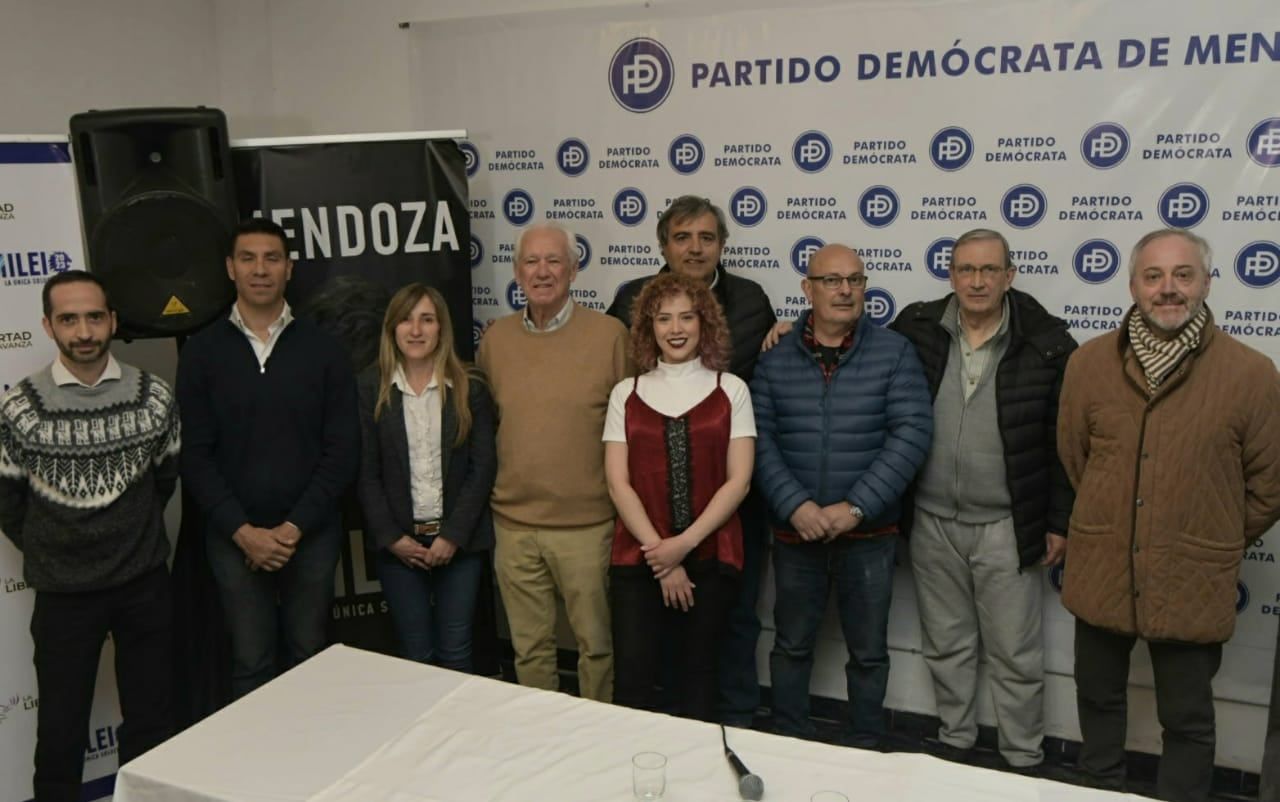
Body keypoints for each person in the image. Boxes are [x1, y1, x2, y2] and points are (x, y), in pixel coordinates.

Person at [1058, 227, 1280, 801]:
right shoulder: (1088, 363)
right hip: (1101, 567)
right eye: (1153, 276)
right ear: (1133, 285)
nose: (1168, 288)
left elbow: (1269, 486)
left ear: (1206, 282)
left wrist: (1210, 534)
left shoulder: (1252, 374)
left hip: (1191, 578)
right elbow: (1077, 458)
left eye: (1183, 275)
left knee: (1187, 719)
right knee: (1098, 701)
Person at [889, 228, 1076, 771]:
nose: (977, 281)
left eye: (989, 270)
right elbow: (854, 350)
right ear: (950, 275)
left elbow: (1064, 444)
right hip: (930, 519)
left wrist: (1058, 521)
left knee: (1015, 651)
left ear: (1009, 276)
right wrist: (793, 327)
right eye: (966, 269)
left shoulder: (1047, 344)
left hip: (1007, 525)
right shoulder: (916, 328)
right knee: (946, 643)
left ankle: (1024, 756)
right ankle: (955, 740)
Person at [0, 272, 180, 802]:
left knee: (152, 721)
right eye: (69, 319)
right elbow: (7, 501)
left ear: (113, 321)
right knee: (60, 730)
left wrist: (127, 535)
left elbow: (164, 480)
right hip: (63, 595)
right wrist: (56, 549)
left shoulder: (153, 396)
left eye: (94, 317)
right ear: (48, 326)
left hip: (143, 585)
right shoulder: (21, 407)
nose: (83, 332)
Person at [752, 243, 932, 747]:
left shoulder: (895, 352)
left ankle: (867, 746)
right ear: (807, 289)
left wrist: (856, 507)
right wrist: (795, 506)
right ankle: (787, 739)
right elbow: (759, 439)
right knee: (791, 646)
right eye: (832, 280)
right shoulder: (774, 358)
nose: (845, 290)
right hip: (797, 534)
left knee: (869, 653)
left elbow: (912, 434)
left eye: (855, 280)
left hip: (869, 535)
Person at [607, 194, 778, 726]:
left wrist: (684, 545)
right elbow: (618, 480)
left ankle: (729, 737)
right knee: (639, 672)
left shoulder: (750, 305)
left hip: (718, 535)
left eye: (706, 237)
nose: (695, 248)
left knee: (712, 662)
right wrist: (663, 554)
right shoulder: (627, 352)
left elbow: (739, 477)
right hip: (643, 546)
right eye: (682, 237)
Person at [177, 217, 360, 699]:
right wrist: (244, 533)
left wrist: (293, 529)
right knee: (250, 661)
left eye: (272, 259)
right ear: (230, 268)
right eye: (248, 258)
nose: (260, 269)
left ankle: (311, 748)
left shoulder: (325, 349)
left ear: (289, 269)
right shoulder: (200, 352)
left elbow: (343, 451)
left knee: (310, 655)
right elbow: (194, 455)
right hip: (233, 538)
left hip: (311, 534)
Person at [476, 223, 630, 701]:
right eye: (531, 261)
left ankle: (598, 734)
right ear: (517, 271)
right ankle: (539, 735)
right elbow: (486, 426)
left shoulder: (610, 336)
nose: (542, 272)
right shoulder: (496, 340)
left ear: (574, 270)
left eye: (554, 261)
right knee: (529, 650)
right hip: (513, 526)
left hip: (587, 526)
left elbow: (634, 430)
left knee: (597, 649)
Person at [357, 283, 496, 671]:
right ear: (392, 328)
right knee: (415, 655)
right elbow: (365, 471)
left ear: (441, 328)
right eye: (406, 320)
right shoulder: (370, 387)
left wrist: (452, 536)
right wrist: (392, 538)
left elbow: (482, 467)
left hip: (459, 544)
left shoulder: (471, 386)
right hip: (399, 546)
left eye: (427, 319)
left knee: (457, 650)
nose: (416, 330)